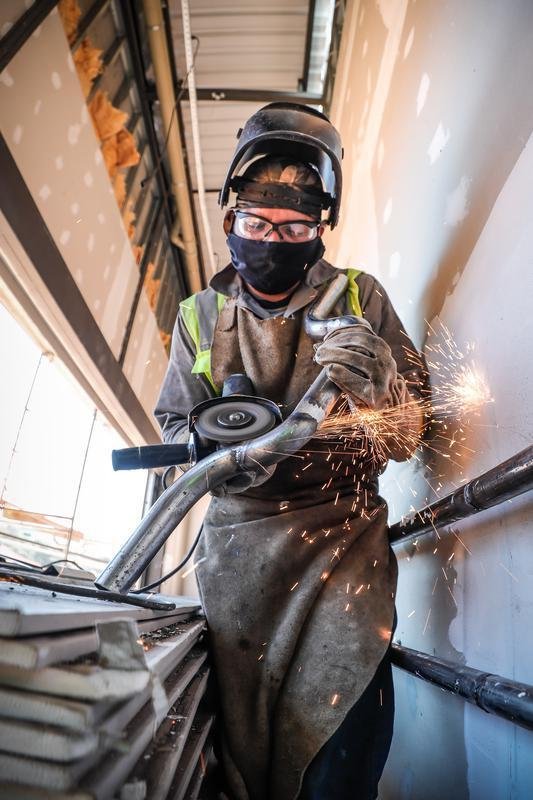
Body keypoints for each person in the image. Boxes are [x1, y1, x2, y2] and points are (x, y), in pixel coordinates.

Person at [155, 103, 428, 800]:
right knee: (241, 756)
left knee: (335, 744)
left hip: (342, 546)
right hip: (237, 556)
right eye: (257, 224)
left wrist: (384, 387)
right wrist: (205, 446)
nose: (272, 240)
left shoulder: (359, 298)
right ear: (230, 219)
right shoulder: (199, 317)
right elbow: (172, 429)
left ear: (320, 229)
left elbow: (409, 435)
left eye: (293, 228)